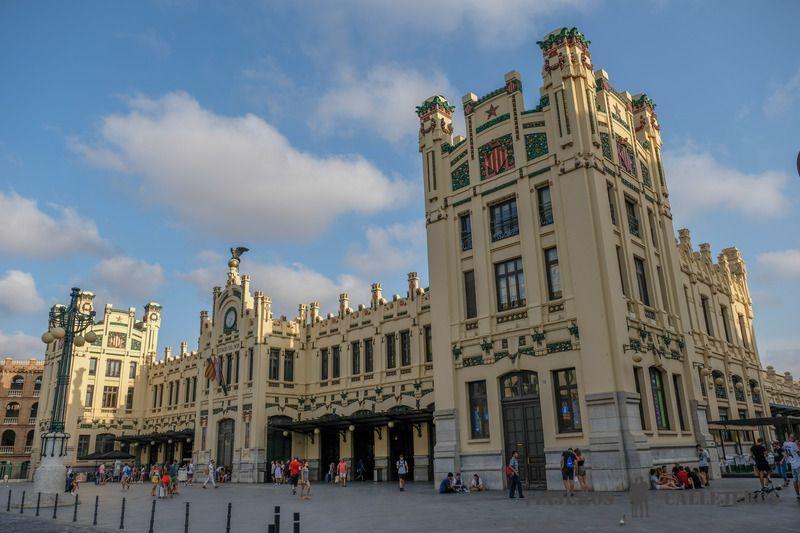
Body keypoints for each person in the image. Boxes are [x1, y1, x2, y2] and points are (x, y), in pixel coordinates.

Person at [782, 434, 800, 500]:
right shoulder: (794, 444)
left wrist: (786, 458)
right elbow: (799, 453)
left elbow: (784, 452)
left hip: (792, 464)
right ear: (793, 438)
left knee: (795, 480)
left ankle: (798, 495)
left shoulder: (785, 443)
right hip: (798, 464)